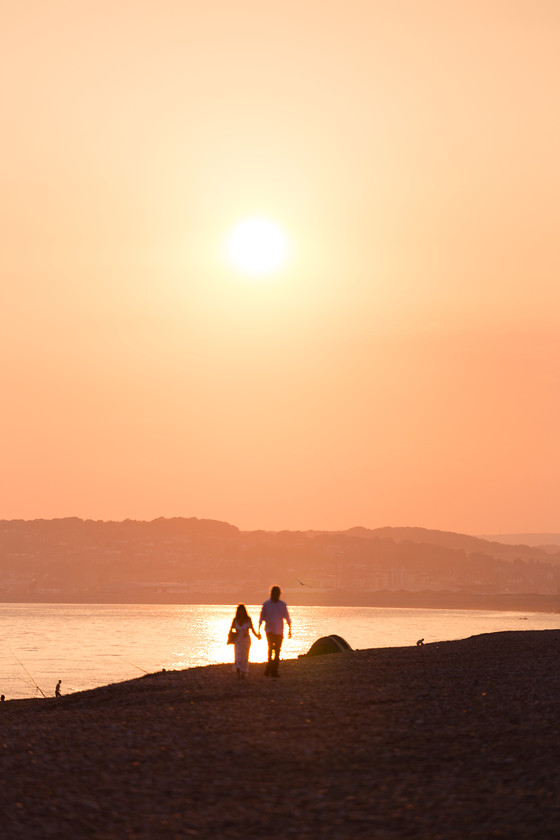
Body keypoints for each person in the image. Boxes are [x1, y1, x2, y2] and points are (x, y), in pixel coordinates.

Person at [259, 585, 292, 677]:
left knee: (277, 651)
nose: (275, 595)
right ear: (271, 593)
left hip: (279, 631)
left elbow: (287, 618)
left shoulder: (282, 605)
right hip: (269, 630)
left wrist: (290, 630)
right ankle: (271, 669)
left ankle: (272, 670)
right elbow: (262, 617)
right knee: (270, 649)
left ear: (279, 594)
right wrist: (259, 629)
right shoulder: (266, 604)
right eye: (274, 593)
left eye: (277, 593)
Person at [229, 604, 260, 679]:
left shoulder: (248, 619)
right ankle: (239, 673)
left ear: (244, 611)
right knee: (238, 656)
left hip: (246, 641)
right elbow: (231, 629)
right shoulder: (235, 619)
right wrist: (233, 635)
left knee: (245, 657)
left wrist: (257, 636)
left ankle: (243, 673)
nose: (241, 612)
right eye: (240, 610)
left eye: (242, 610)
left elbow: (252, 629)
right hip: (238, 640)